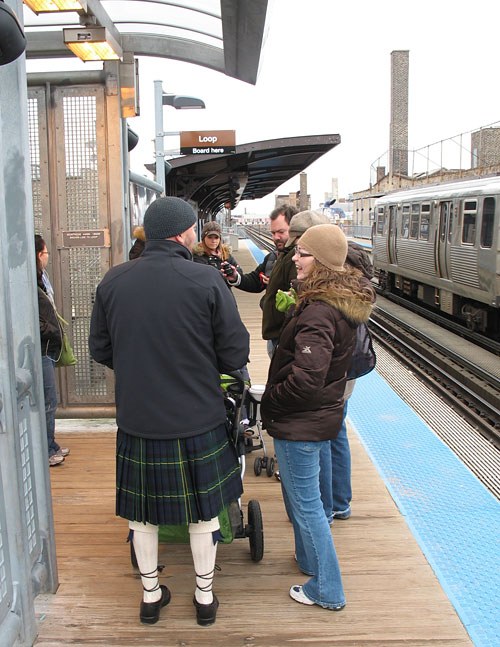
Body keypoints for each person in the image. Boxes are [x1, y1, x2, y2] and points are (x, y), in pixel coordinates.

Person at [88, 197, 249, 627]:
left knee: (143, 515)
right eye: (194, 228)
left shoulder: (113, 281)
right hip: (198, 418)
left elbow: (101, 348)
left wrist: (141, 369)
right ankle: (205, 597)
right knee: (202, 512)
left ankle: (150, 596)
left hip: (139, 419)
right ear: (183, 232)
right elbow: (235, 352)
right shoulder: (205, 280)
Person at [261, 224, 374, 610]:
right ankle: (309, 562)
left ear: (322, 262)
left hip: (300, 421)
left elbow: (307, 379)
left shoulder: (319, 313)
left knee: (307, 506)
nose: (295, 257)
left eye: (303, 253)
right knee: (303, 501)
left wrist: (271, 401)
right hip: (316, 417)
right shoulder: (332, 304)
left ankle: (327, 589)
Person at [319, 242, 376, 523]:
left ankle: (329, 507)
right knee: (338, 432)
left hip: (336, 371)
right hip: (349, 370)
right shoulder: (358, 292)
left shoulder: (339, 294)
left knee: (329, 435)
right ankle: (341, 502)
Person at [35, 234, 69, 467]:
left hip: (47, 347)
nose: (47, 257)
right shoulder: (30, 282)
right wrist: (48, 329)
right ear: (39, 255)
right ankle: (46, 449)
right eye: (46, 253)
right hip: (41, 348)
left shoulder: (40, 278)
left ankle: (52, 443)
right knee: (48, 401)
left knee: (50, 399)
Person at [192, 221, 242, 286]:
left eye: (216, 237)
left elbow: (239, 271)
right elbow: (205, 277)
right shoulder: (198, 255)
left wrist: (232, 272)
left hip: (225, 293)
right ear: (203, 238)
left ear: (220, 239)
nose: (213, 241)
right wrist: (225, 274)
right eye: (210, 237)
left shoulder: (225, 253)